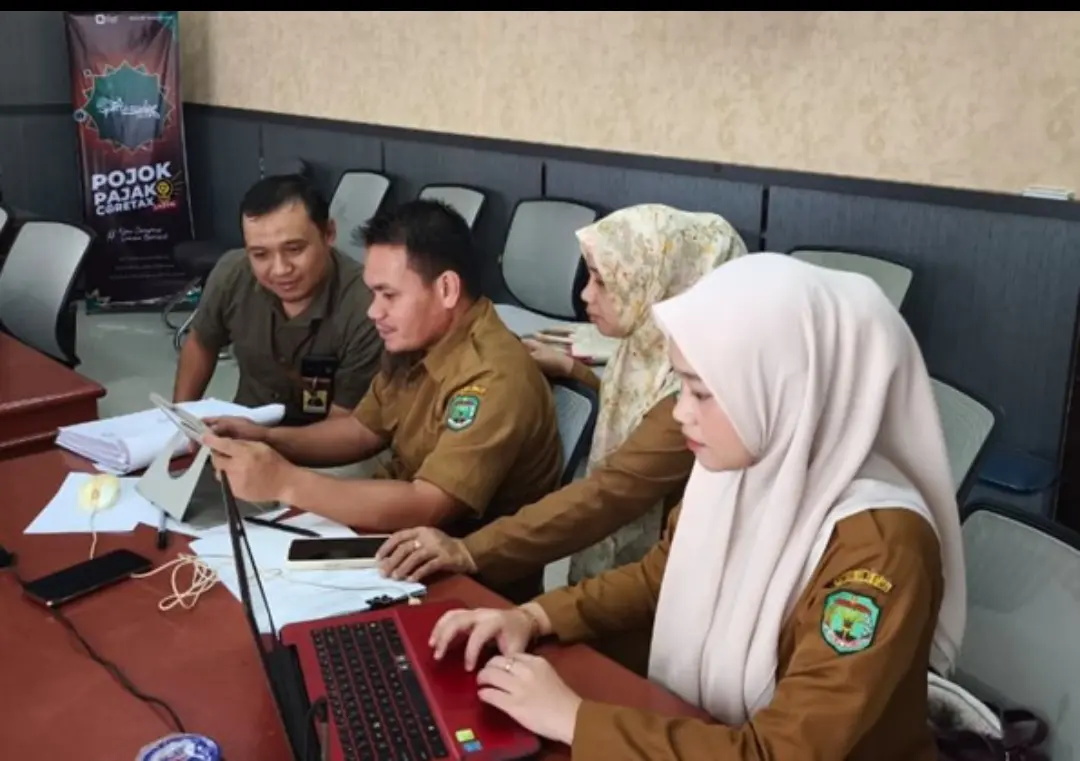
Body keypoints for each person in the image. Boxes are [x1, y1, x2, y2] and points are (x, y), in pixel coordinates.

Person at [426, 253, 966, 761]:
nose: (681, 413)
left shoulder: (882, 545)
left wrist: (575, 719)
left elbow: (782, 752)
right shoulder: (736, 470)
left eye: (700, 393)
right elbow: (661, 576)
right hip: (705, 728)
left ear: (785, 393)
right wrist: (533, 616)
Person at [377, 204, 747, 608]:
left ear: (660, 283)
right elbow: (633, 409)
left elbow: (609, 494)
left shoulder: (693, 395)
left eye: (604, 281)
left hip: (672, 597)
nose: (586, 294)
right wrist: (574, 370)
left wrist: (470, 550)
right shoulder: (646, 348)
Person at [204, 200, 563, 536]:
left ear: (447, 289)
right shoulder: (418, 341)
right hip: (397, 534)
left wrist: (285, 481)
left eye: (389, 295)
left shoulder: (493, 377)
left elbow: (428, 506)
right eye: (373, 294)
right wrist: (266, 437)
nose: (374, 311)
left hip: (458, 564)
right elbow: (362, 430)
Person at [173, 174, 382, 425]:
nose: (280, 270)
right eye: (260, 254)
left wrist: (262, 441)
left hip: (324, 441)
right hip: (244, 427)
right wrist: (180, 423)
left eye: (294, 249)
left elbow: (346, 427)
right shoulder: (233, 273)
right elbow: (201, 342)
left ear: (328, 233)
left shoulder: (369, 306)